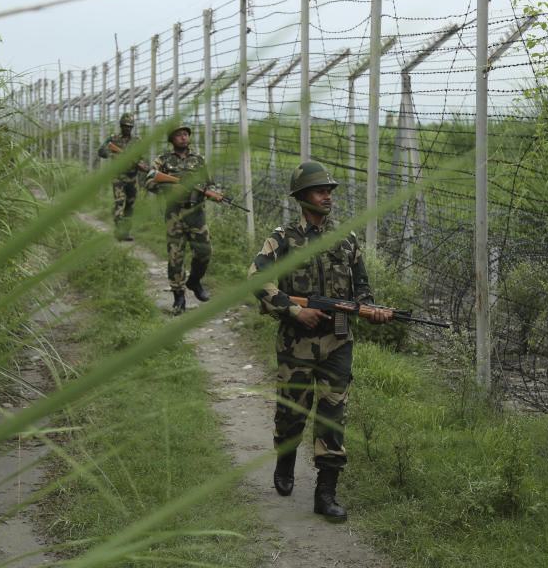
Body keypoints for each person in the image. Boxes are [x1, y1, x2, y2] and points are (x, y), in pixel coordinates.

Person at [248, 161, 391, 523]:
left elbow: (364, 290)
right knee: (292, 413)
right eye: (319, 190)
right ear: (301, 198)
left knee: (333, 415)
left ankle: (325, 493)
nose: (328, 196)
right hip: (296, 343)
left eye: (329, 190)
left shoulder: (346, 240)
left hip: (338, 342)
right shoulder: (281, 239)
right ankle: (285, 462)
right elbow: (256, 280)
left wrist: (372, 310)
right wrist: (296, 312)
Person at [145, 124, 220, 315]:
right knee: (175, 256)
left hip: (196, 213)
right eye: (179, 135)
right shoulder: (163, 160)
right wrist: (169, 189)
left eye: (186, 134)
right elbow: (148, 181)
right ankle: (179, 297)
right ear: (172, 139)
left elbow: (210, 182)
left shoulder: (198, 159)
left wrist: (212, 193)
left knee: (205, 252)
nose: (184, 138)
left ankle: (194, 281)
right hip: (174, 214)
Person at [97, 112, 145, 241]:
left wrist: (140, 165)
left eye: (129, 126)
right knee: (119, 203)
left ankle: (125, 231)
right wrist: (113, 155)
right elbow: (101, 151)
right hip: (118, 177)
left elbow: (141, 158)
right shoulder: (113, 139)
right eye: (125, 126)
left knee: (130, 205)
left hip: (132, 177)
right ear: (120, 126)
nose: (127, 128)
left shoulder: (137, 141)